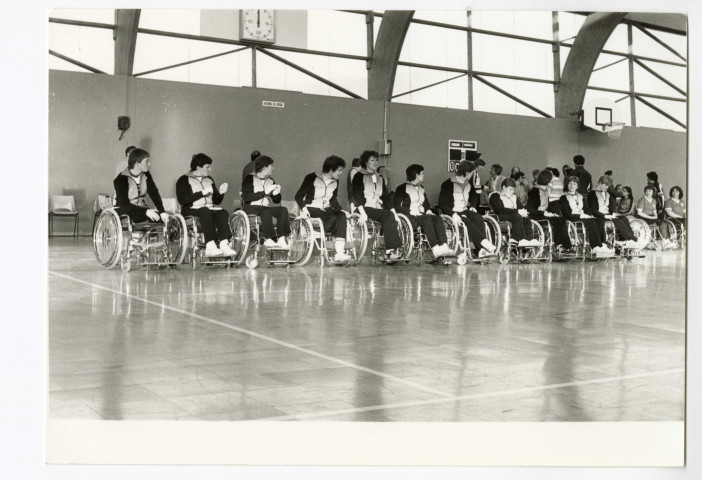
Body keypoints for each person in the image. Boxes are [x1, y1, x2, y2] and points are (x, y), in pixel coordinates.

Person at [176, 153, 236, 257]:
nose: (210, 169)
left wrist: (221, 193)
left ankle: (224, 244)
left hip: (208, 209)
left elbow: (216, 201)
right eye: (207, 167)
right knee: (205, 211)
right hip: (191, 209)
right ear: (198, 167)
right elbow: (182, 200)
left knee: (223, 212)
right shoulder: (183, 180)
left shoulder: (209, 179)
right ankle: (210, 245)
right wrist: (201, 193)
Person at [295, 155, 353, 262]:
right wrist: (304, 209)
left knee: (341, 216)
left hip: (326, 209)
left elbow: (333, 199)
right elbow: (298, 196)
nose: (341, 173)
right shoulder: (311, 177)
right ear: (331, 169)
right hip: (311, 208)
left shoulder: (336, 181)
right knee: (331, 217)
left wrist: (341, 210)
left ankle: (339, 252)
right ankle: (330, 239)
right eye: (339, 170)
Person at [351, 150, 403, 260]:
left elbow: (386, 197)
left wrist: (395, 214)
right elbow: (357, 196)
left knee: (389, 215)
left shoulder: (380, 178)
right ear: (366, 162)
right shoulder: (359, 176)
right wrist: (362, 213)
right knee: (387, 215)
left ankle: (389, 247)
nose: (375, 162)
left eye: (376, 160)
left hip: (376, 209)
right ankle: (390, 251)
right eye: (372, 160)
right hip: (364, 208)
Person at [394, 164, 453, 259]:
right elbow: (396, 205)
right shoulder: (401, 188)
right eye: (422, 173)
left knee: (437, 218)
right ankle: (435, 248)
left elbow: (425, 202)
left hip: (422, 215)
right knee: (426, 219)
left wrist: (428, 209)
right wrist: (409, 211)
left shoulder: (421, 188)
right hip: (409, 216)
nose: (423, 175)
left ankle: (444, 246)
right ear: (416, 175)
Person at [439, 160, 496, 256]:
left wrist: (473, 206)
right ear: (466, 173)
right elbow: (442, 203)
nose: (473, 174)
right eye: (472, 172)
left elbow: (474, 195)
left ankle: (480, 250)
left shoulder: (468, 183)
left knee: (478, 217)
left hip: (464, 210)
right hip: (453, 211)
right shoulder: (447, 184)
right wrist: (452, 214)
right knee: (465, 220)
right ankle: (483, 243)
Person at [242, 155, 291, 249]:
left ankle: (281, 238)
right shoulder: (249, 178)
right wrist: (264, 193)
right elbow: (246, 197)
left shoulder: (270, 180)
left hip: (264, 209)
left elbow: (276, 201)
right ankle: (268, 238)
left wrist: (276, 194)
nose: (272, 168)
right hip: (251, 208)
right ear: (264, 167)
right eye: (270, 166)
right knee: (265, 210)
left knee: (283, 210)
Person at [113, 148, 169, 225]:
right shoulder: (120, 179)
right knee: (145, 217)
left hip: (142, 210)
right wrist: (146, 211)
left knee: (164, 219)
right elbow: (124, 203)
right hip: (126, 210)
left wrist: (162, 211)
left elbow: (154, 193)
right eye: (147, 161)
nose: (149, 164)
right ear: (137, 163)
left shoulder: (146, 175)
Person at [559, 176, 610, 253]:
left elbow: (587, 210)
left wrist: (589, 215)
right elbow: (566, 214)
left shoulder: (581, 197)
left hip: (582, 217)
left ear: (577, 186)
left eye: (574, 184)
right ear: (567, 185)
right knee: (591, 222)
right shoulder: (563, 197)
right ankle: (595, 246)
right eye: (570, 183)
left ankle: (602, 244)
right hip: (572, 218)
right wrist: (580, 216)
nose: (572, 185)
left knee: (599, 220)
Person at [526, 169, 572, 251]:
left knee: (561, 219)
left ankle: (565, 246)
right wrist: (544, 213)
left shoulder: (545, 191)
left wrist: (550, 213)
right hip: (535, 216)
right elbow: (529, 209)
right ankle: (560, 245)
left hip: (542, 214)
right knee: (557, 221)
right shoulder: (535, 191)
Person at [586, 176, 638, 248]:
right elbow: (593, 210)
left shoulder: (607, 193)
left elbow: (611, 206)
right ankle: (629, 238)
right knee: (618, 221)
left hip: (607, 214)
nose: (607, 187)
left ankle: (626, 239)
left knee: (623, 218)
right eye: (606, 185)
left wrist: (613, 213)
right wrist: (605, 216)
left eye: (608, 186)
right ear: (600, 183)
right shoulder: (592, 193)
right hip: (598, 215)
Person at [489, 178, 539, 247]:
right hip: (501, 216)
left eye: (513, 190)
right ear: (504, 187)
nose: (512, 191)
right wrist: (517, 211)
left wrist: (523, 211)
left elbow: (520, 208)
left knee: (525, 216)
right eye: (510, 189)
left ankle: (529, 239)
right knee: (517, 216)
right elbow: (500, 210)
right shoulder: (495, 196)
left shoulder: (514, 196)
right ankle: (519, 238)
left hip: (513, 215)